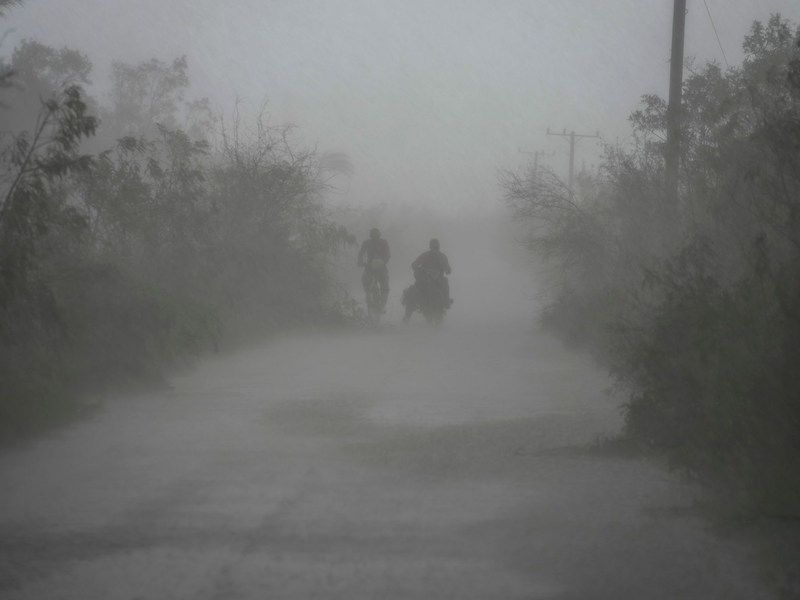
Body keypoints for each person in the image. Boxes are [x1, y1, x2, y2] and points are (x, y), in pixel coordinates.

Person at [402, 238, 453, 324]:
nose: (435, 248)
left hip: (438, 281)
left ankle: (446, 302)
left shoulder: (442, 257)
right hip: (424, 280)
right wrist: (417, 268)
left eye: (436, 247)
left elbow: (448, 271)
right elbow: (414, 264)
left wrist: (446, 266)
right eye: (434, 247)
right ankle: (407, 318)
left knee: (445, 283)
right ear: (430, 247)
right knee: (413, 293)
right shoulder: (425, 255)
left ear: (439, 247)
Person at [357, 227, 390, 313]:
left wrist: (383, 260)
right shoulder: (367, 243)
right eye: (374, 235)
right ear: (371, 235)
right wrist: (360, 262)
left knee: (384, 285)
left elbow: (387, 254)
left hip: (379, 267)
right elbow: (361, 253)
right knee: (365, 281)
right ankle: (368, 295)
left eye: (376, 235)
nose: (375, 236)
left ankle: (382, 307)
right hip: (372, 267)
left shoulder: (383, 242)